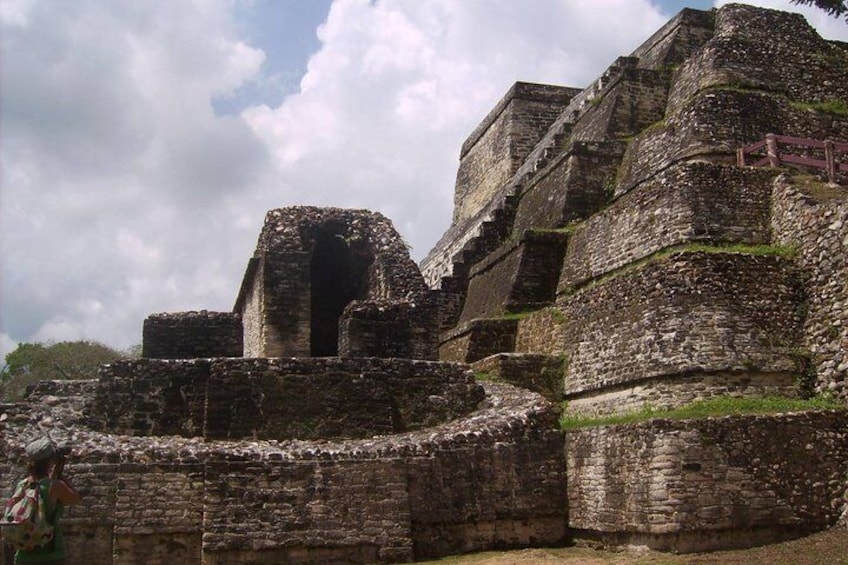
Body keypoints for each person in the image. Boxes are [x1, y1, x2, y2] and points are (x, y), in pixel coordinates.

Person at [13, 437, 81, 565]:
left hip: (23, 555)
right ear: (50, 462)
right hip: (51, 555)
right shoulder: (55, 486)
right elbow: (75, 498)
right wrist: (60, 475)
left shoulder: (22, 485)